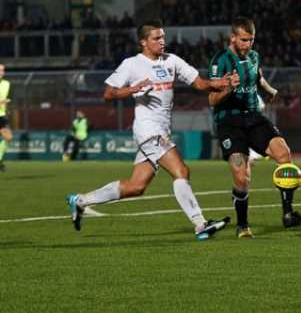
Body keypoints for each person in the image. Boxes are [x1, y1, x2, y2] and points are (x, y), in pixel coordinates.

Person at [66, 19, 238, 241]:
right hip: (148, 130)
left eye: (163, 37)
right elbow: (108, 94)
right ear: (143, 42)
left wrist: (220, 82)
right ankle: (200, 224)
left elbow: (199, 83)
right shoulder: (132, 64)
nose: (162, 41)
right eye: (156, 38)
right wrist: (132, 89)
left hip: (161, 131)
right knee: (181, 171)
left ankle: (81, 201)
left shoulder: (172, 60)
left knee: (136, 186)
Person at [208, 16, 301, 239]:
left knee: (284, 154)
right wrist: (228, 88)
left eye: (251, 40)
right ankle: (242, 226)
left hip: (253, 117)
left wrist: (270, 90)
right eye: (244, 40)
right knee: (241, 176)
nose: (248, 44)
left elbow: (258, 78)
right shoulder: (221, 61)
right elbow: (211, 99)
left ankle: (288, 214)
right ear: (233, 38)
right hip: (230, 122)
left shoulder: (254, 56)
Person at [0, 63, 11, 172]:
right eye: (0, 70)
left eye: (3, 70)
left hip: (1, 115)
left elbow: (5, 99)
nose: (1, 72)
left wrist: (7, 109)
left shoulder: (6, 84)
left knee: (8, 138)